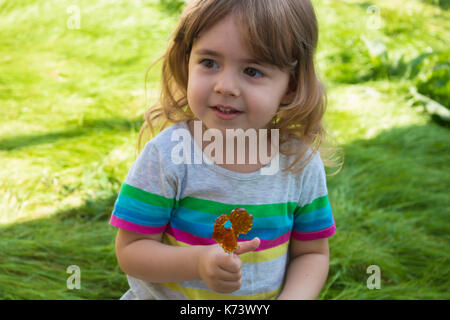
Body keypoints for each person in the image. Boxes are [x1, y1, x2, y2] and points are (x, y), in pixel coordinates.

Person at [109, 0, 341, 300]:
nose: (225, 86)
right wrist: (198, 262)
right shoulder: (168, 157)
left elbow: (311, 253)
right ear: (187, 60)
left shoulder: (299, 163)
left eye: (252, 71)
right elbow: (131, 250)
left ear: (291, 86)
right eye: (209, 62)